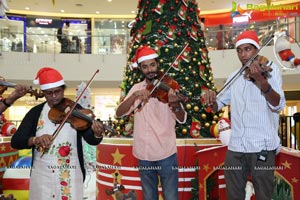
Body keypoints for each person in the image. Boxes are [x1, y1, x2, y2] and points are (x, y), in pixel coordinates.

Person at [203, 30, 286, 199]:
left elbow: (278, 104)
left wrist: (261, 81)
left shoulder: (271, 71)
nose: (242, 55)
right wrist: (211, 100)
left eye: (247, 49)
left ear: (257, 50)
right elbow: (218, 104)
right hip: (236, 147)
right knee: (233, 195)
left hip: (262, 146)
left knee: (263, 195)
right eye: (239, 50)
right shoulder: (234, 76)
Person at [11, 67, 104, 199]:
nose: (54, 96)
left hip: (70, 174)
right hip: (42, 176)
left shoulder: (75, 110)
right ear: (43, 92)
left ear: (63, 89)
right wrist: (35, 140)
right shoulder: (35, 112)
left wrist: (97, 133)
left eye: (58, 92)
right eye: (49, 93)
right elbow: (16, 141)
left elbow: (91, 139)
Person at [115, 46, 187, 200]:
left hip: (166, 153)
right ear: (140, 69)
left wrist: (175, 104)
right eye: (145, 67)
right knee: (149, 197)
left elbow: (182, 119)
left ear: (157, 64)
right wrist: (134, 96)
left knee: (171, 196)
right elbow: (119, 113)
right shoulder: (137, 89)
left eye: (152, 65)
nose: (150, 70)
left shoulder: (169, 88)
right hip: (144, 154)